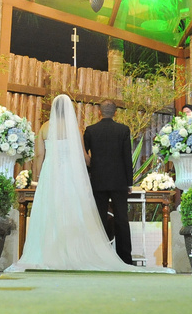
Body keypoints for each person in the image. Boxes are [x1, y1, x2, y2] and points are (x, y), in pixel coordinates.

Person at [9, 96, 151, 272]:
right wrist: (98, 169)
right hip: (82, 177)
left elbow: (39, 155)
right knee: (84, 214)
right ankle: (107, 256)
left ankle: (50, 252)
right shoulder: (77, 128)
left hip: (57, 176)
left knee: (54, 213)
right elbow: (84, 156)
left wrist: (37, 177)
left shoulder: (47, 128)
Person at [83, 100, 136, 265]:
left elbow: (84, 156)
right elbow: (127, 157)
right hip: (119, 181)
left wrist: (90, 173)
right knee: (121, 218)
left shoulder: (90, 130)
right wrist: (129, 182)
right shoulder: (123, 130)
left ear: (99, 112)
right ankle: (125, 259)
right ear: (115, 113)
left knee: (99, 218)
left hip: (98, 180)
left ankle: (99, 257)